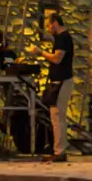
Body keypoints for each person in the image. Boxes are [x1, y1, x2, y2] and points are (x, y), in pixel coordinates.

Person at [29, 14, 75, 163]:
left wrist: (40, 52)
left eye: (49, 26)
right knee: (57, 116)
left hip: (62, 81)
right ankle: (59, 148)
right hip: (59, 81)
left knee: (57, 116)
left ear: (55, 23)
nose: (48, 29)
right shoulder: (61, 38)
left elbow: (57, 58)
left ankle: (59, 151)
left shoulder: (63, 38)